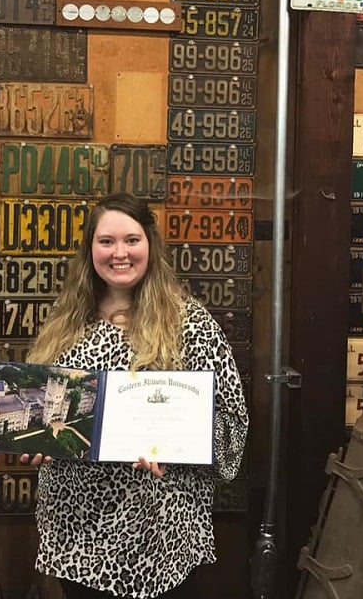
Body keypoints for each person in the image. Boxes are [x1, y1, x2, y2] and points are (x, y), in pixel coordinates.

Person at [22, 193, 249, 599]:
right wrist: (38, 442)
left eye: (132, 239)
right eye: (106, 241)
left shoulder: (190, 323)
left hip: (161, 534)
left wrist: (177, 444)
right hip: (78, 531)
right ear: (90, 248)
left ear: (150, 244)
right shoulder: (66, 321)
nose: (119, 253)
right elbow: (47, 412)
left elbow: (232, 427)